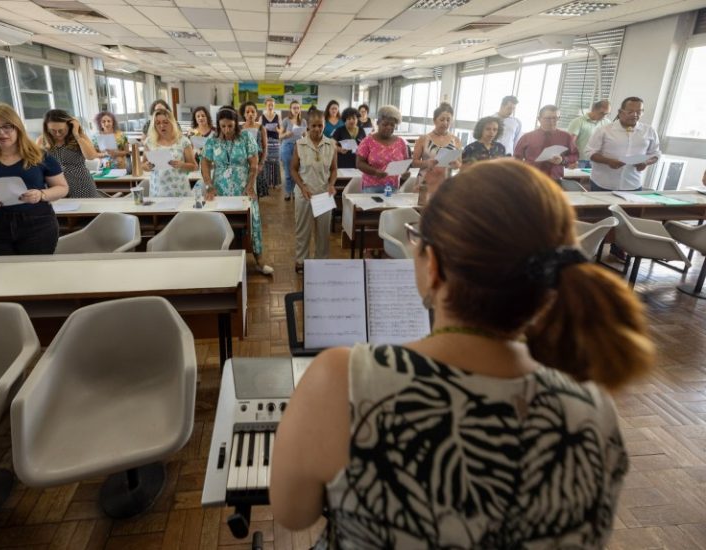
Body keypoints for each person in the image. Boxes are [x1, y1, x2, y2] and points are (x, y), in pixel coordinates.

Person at [271, 159, 655, 549]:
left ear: (433, 266)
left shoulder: (342, 379)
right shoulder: (593, 408)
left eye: (416, 237)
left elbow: (293, 514)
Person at [0, 104, 68, 255]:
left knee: (36, 273)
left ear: (18, 127)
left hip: (38, 224)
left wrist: (41, 194)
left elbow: (62, 188)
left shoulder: (40, 155)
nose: (1, 132)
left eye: (7, 126)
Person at [201, 108, 273, 275]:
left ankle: (259, 260)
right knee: (222, 221)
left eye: (230, 126)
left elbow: (254, 165)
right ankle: (223, 258)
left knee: (252, 220)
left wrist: (249, 185)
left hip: (244, 186)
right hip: (220, 188)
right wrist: (208, 184)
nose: (227, 130)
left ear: (236, 124)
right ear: (218, 126)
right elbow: (205, 162)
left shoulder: (246, 137)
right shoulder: (213, 140)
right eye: (223, 126)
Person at [290, 109, 337, 273]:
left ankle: (321, 261)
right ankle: (301, 261)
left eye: (320, 125)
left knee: (323, 232)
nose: (317, 129)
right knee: (303, 230)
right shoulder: (300, 144)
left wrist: (331, 184)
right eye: (314, 126)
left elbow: (334, 170)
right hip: (305, 194)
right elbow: (293, 170)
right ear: (307, 126)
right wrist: (302, 187)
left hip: (324, 194)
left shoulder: (331, 144)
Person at [586, 96, 660, 191]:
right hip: (603, 184)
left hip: (632, 184)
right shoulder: (604, 130)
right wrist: (608, 161)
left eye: (639, 112)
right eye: (630, 111)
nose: (634, 115)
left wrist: (646, 162)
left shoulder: (649, 131)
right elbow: (590, 152)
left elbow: (655, 154)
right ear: (620, 112)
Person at [37, 109, 100, 198]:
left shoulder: (79, 137)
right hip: (55, 188)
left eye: (61, 130)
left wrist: (76, 134)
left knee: (86, 211)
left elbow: (91, 156)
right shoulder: (41, 140)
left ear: (69, 126)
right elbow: (36, 164)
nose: (58, 134)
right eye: (53, 131)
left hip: (82, 185)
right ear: (46, 129)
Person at [513, 105, 579, 182]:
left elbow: (575, 155)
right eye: (548, 118)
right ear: (539, 119)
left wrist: (563, 160)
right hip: (531, 178)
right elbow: (516, 159)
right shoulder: (527, 137)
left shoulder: (566, 136)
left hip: (555, 179)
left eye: (555, 118)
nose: (552, 122)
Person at [142, 108, 198, 197]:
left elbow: (194, 166)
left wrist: (182, 165)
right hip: (157, 191)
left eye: (165, 122)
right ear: (154, 125)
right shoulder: (149, 142)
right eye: (158, 123)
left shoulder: (183, 141)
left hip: (180, 190)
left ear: (172, 123)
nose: (161, 126)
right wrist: (147, 166)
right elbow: (143, 165)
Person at [356, 105, 410, 193]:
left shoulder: (401, 142)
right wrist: (375, 172)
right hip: (371, 187)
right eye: (385, 124)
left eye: (392, 125)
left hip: (393, 187)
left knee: (391, 207)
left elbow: (405, 164)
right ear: (378, 123)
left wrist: (405, 173)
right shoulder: (367, 141)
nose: (389, 127)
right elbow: (359, 163)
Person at [412, 102, 462, 180]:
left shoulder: (456, 140)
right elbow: (414, 163)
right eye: (442, 119)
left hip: (446, 182)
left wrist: (457, 164)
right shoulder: (423, 139)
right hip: (425, 181)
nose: (445, 123)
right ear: (435, 120)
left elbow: (460, 164)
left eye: (448, 120)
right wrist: (426, 163)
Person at [567, 100, 611, 166]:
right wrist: (571, 159)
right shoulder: (578, 122)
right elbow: (570, 143)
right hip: (581, 160)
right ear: (594, 109)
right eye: (602, 113)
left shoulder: (607, 123)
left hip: (598, 161)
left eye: (606, 114)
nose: (604, 116)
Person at [279, 100, 307, 201]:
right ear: (290, 109)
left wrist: (304, 136)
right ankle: (288, 192)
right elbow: (280, 135)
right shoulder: (286, 120)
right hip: (287, 146)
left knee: (297, 171)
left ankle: (295, 191)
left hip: (299, 147)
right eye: (294, 108)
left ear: (300, 109)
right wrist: (286, 134)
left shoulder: (303, 121)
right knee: (287, 171)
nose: (296, 109)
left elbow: (305, 136)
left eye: (297, 108)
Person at [240, 101, 269, 198]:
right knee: (245, 187)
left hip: (257, 162)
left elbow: (265, 147)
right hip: (243, 163)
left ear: (256, 114)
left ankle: (255, 211)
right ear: (244, 114)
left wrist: (261, 164)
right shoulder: (240, 129)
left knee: (256, 190)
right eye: (247, 112)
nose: (250, 114)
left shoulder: (261, 128)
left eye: (253, 111)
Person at [260, 97, 282, 190]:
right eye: (269, 105)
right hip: (265, 141)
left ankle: (276, 183)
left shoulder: (278, 116)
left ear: (274, 105)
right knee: (266, 162)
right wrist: (264, 129)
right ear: (265, 105)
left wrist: (277, 129)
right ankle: (268, 182)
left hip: (275, 141)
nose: (270, 106)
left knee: (276, 162)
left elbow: (281, 129)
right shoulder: (262, 117)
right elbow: (259, 129)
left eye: (272, 105)